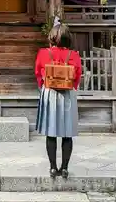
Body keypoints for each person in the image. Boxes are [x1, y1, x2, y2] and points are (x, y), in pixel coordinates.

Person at [34, 19, 82, 178]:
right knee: (67, 133)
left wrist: (43, 85)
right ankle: (65, 167)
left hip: (49, 93)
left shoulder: (43, 53)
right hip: (67, 94)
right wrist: (71, 86)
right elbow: (77, 75)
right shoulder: (73, 55)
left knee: (51, 132)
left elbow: (37, 73)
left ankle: (53, 167)